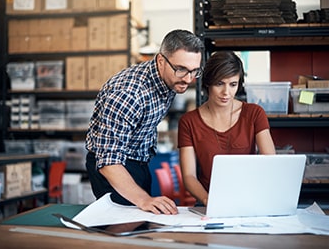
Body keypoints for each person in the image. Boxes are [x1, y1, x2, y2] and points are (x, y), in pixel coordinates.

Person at [85, 29, 204, 215]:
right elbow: (108, 161)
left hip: (140, 161)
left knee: (143, 223)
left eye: (194, 71)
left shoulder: (171, 78)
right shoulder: (128, 94)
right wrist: (144, 199)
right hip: (114, 167)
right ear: (161, 61)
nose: (188, 79)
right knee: (122, 230)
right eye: (181, 69)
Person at [178, 51, 276, 206]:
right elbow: (189, 176)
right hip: (208, 202)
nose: (226, 92)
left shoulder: (254, 114)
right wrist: (207, 200)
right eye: (219, 84)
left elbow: (270, 163)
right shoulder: (189, 122)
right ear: (208, 83)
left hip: (250, 200)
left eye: (233, 84)